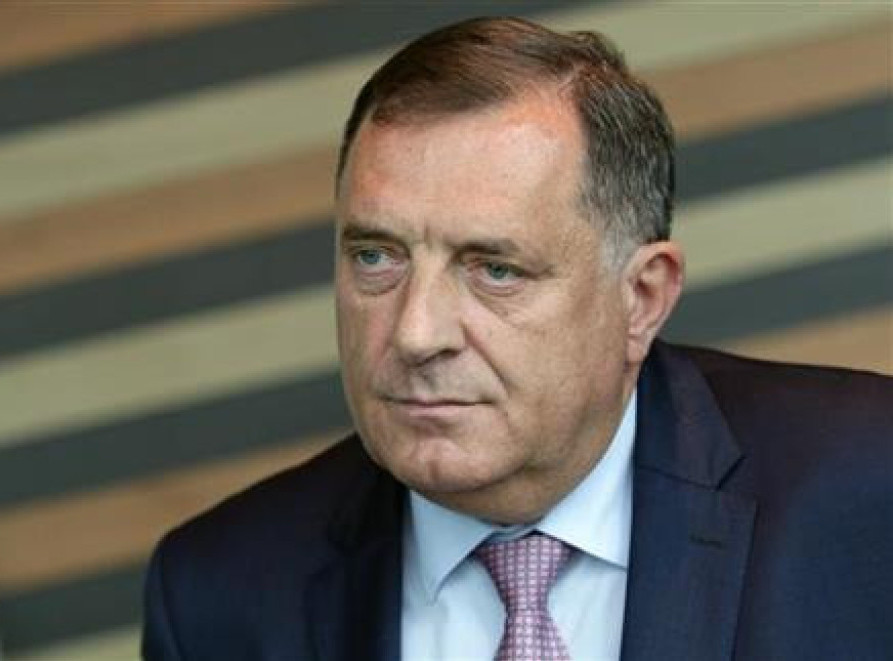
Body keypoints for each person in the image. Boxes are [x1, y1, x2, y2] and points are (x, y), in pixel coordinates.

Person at [142, 16, 893, 661]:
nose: (416, 333)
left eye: (494, 270)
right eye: (376, 257)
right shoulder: (219, 594)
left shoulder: (868, 490)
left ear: (641, 298)